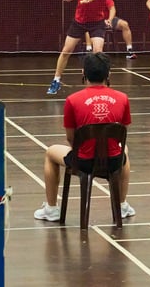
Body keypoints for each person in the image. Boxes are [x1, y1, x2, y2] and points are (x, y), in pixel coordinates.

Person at [34, 52, 135, 221]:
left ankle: (51, 209)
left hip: (83, 162)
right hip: (113, 161)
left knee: (51, 152)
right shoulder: (123, 98)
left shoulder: (73, 100)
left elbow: (70, 137)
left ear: (83, 73)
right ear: (108, 74)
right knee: (123, 149)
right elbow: (121, 134)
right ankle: (122, 205)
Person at [47, 0, 112, 95]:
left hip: (97, 23)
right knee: (66, 51)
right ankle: (56, 80)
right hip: (79, 22)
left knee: (98, 52)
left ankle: (102, 81)